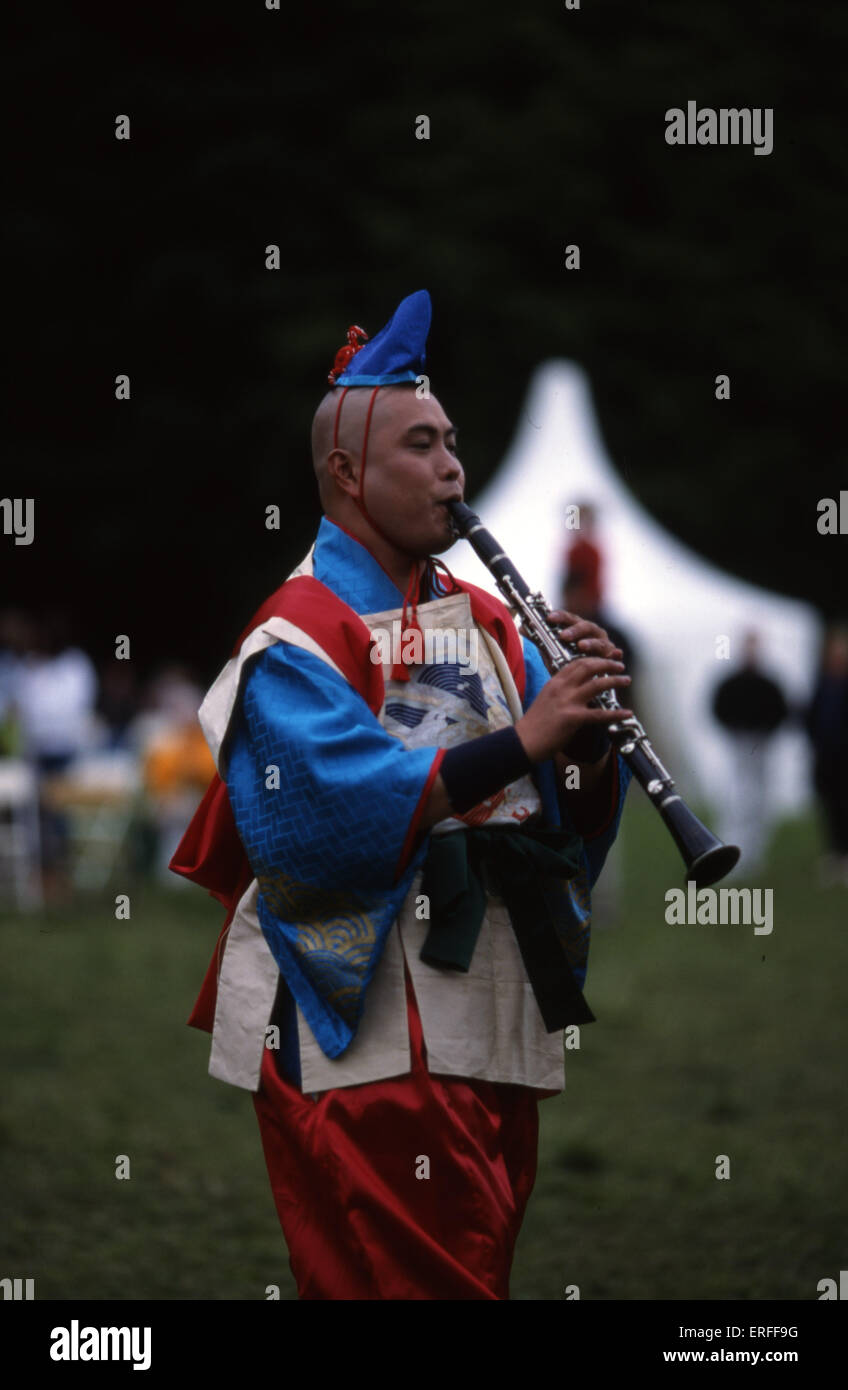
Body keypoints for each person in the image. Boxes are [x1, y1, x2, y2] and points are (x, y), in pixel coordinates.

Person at [172, 290, 632, 1300]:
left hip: (486, 1008)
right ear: (345, 472)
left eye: (452, 443)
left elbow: (545, 805)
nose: (452, 468)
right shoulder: (294, 631)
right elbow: (329, 809)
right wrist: (526, 733)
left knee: (473, 1265)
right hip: (363, 1030)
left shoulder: (489, 615)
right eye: (420, 445)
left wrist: (587, 750)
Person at [711, 630, 788, 875]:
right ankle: (732, 849)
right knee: (738, 797)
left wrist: (768, 732)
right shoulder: (732, 681)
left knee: (759, 799)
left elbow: (781, 710)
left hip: (762, 744)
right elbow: (718, 708)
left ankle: (754, 853)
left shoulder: (767, 681)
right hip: (739, 743)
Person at [805, 626, 848, 886]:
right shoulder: (822, 683)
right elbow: (812, 716)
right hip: (826, 757)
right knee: (829, 805)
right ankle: (835, 852)